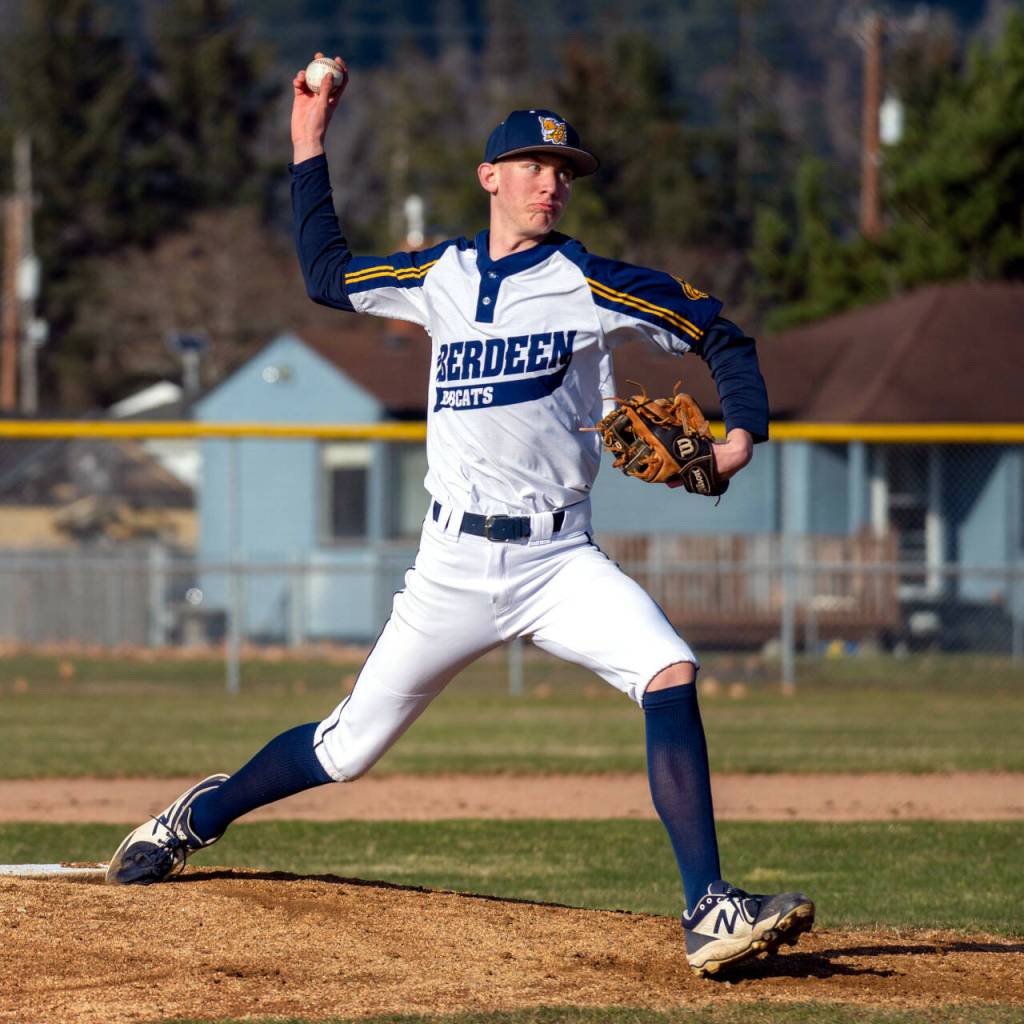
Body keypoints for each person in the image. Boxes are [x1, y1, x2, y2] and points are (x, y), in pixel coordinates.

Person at [105, 54, 814, 978]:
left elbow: (720, 331)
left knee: (669, 671)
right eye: (533, 166)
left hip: (560, 563)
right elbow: (326, 274)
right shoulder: (439, 275)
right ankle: (195, 816)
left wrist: (741, 436)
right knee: (345, 749)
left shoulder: (593, 284)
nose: (551, 183)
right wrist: (308, 140)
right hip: (450, 567)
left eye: (564, 171)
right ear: (489, 177)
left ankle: (709, 908)